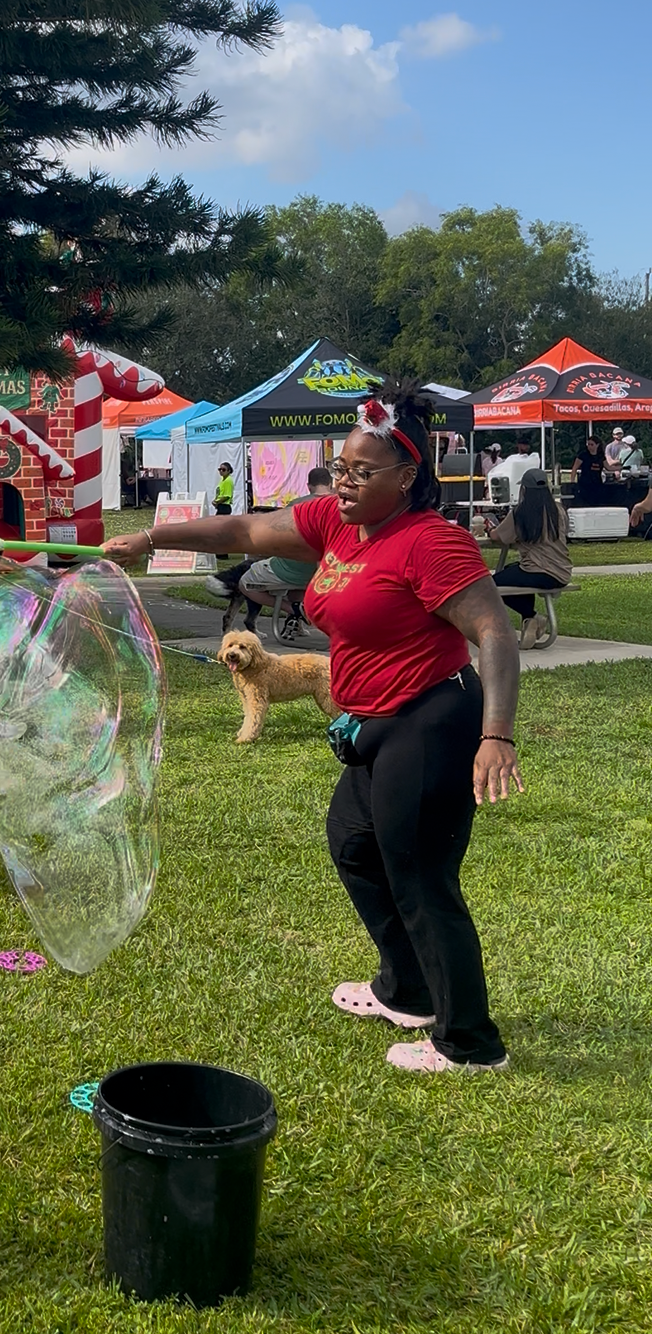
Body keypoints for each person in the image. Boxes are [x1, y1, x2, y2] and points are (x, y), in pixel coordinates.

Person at [105, 385, 521, 1074]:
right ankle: (408, 989)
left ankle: (470, 1043)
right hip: (372, 726)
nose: (345, 481)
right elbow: (242, 532)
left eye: (364, 471)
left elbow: (495, 634)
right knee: (355, 843)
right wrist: (151, 538)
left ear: (409, 476)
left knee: (421, 879)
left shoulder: (430, 543)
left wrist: (497, 734)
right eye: (341, 466)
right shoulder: (335, 521)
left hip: (430, 721)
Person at [204, 465, 333, 639]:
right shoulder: (342, 505)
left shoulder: (295, 506)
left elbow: (279, 539)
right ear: (331, 484)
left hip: (289, 570)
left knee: (245, 581)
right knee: (297, 589)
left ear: (308, 485)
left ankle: (292, 609)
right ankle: (295, 621)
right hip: (325, 574)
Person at [492, 469, 571, 647]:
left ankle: (532, 616)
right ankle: (529, 621)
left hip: (537, 568)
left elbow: (500, 537)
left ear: (524, 490)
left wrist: (489, 530)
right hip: (561, 571)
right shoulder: (558, 510)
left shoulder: (521, 512)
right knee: (513, 571)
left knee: (491, 584)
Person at [571, 433, 607, 507]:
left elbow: (608, 467)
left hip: (597, 484)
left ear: (597, 445)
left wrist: (620, 467)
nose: (589, 447)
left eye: (592, 444)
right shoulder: (583, 455)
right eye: (588, 444)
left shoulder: (601, 456)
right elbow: (574, 468)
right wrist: (572, 482)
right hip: (585, 484)